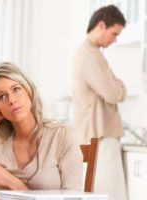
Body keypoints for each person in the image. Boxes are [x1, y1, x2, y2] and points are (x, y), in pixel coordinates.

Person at [0, 62, 83, 198]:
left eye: (16, 89)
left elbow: (74, 198)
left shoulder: (63, 136)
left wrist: (14, 183)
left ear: (28, 90)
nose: (11, 100)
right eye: (2, 96)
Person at [71, 5, 127, 200]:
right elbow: (112, 93)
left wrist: (116, 86)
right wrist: (120, 87)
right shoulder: (90, 55)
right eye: (114, 33)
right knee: (111, 195)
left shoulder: (89, 53)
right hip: (101, 138)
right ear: (101, 25)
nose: (115, 40)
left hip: (96, 137)